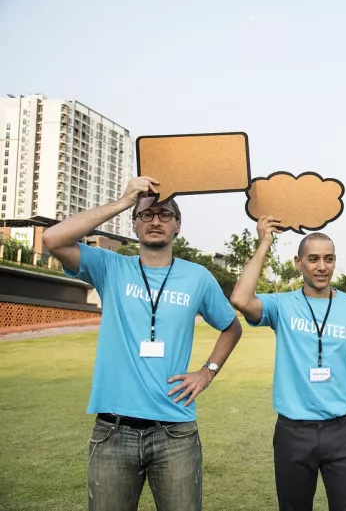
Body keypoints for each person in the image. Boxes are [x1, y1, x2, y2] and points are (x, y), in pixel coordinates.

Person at [42, 176, 243, 511]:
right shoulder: (110, 267)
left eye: (165, 215)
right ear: (133, 226)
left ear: (178, 226)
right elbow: (52, 238)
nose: (155, 221)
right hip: (112, 431)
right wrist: (123, 201)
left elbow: (231, 327)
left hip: (176, 433)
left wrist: (207, 372)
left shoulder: (198, 278)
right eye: (146, 214)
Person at [229, 216, 346, 511]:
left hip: (341, 430)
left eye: (328, 259)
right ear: (298, 262)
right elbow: (240, 298)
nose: (322, 266)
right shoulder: (282, 305)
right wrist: (264, 243)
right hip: (293, 432)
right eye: (313, 259)